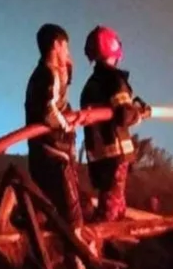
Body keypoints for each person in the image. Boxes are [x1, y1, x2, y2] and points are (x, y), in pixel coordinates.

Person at [79, 25, 151, 222]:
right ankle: (94, 241)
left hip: (99, 159)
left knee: (115, 207)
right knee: (109, 213)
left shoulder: (90, 85)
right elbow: (124, 115)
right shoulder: (114, 80)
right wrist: (139, 113)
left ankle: (110, 236)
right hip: (116, 156)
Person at [24, 24, 83, 228]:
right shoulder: (45, 75)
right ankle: (76, 245)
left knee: (64, 209)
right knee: (72, 216)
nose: (68, 52)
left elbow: (59, 102)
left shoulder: (54, 73)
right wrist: (67, 125)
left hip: (58, 152)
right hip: (50, 155)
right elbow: (48, 112)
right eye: (66, 46)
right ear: (56, 45)